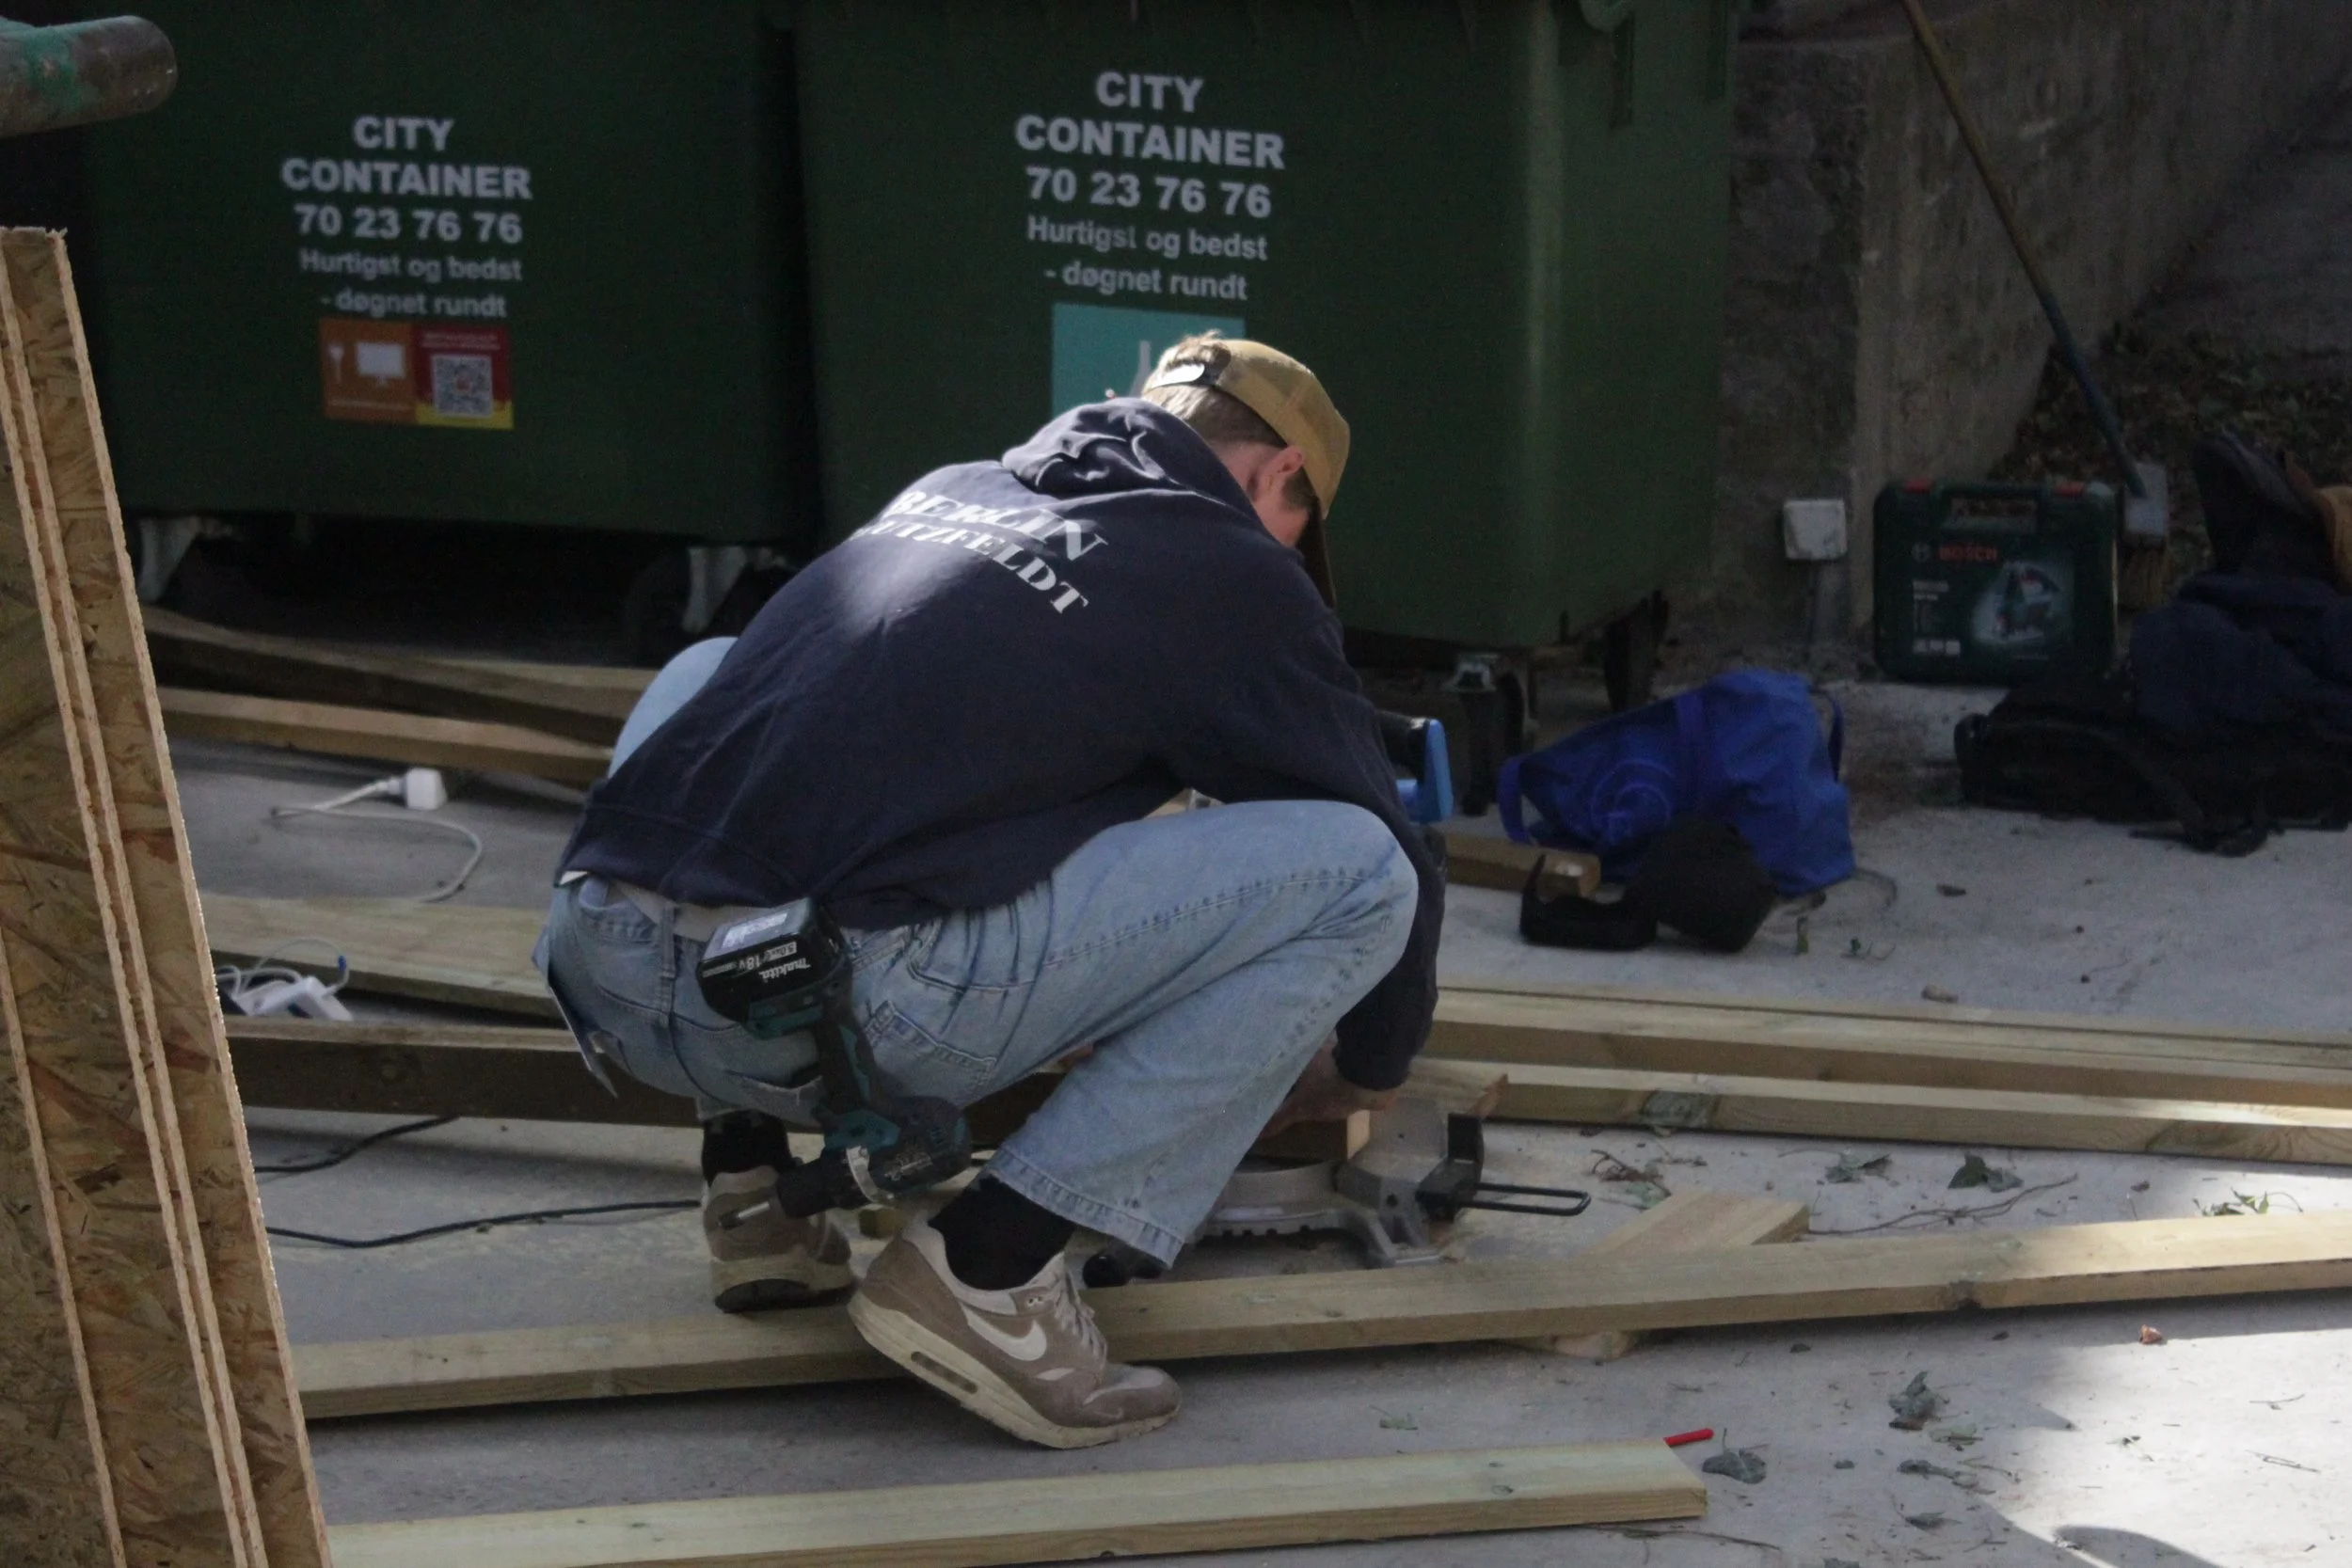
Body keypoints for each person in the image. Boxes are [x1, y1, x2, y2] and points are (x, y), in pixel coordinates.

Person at [535, 335, 1442, 1449]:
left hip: (607, 975)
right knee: (1359, 871)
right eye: (1300, 531)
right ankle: (991, 1271)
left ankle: (752, 1195)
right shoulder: (1234, 566)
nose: (1291, 556)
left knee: (715, 672)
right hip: (845, 1020)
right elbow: (1387, 845)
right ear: (1281, 472)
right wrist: (1366, 1066)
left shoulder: (951, 491)